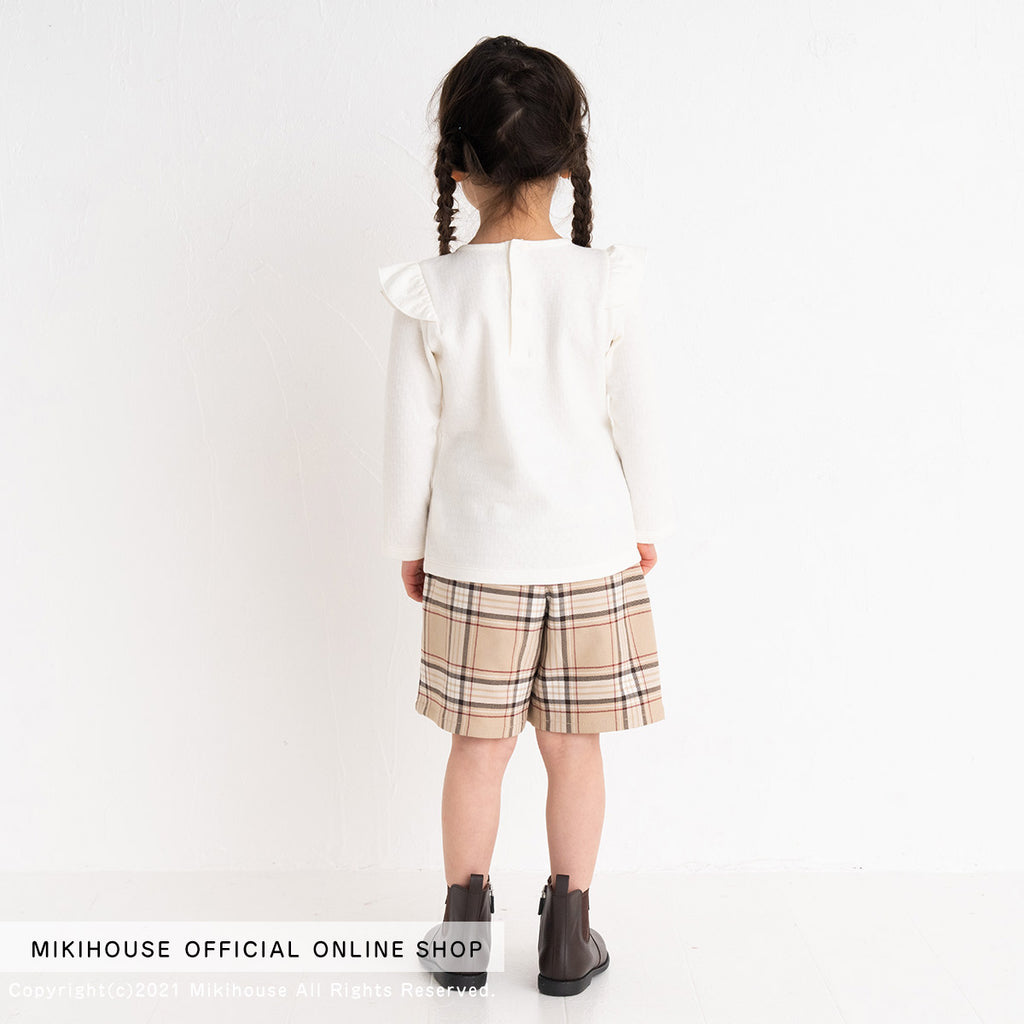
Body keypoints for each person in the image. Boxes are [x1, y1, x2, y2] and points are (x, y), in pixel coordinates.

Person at [377, 35, 676, 997]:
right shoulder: (606, 282)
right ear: (567, 162)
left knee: (477, 750)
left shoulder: (431, 293)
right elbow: (641, 420)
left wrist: (410, 543)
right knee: (574, 749)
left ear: (457, 168)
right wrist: (644, 525)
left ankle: (465, 935)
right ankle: (568, 936)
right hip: (592, 553)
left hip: (475, 558)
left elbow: (408, 437)